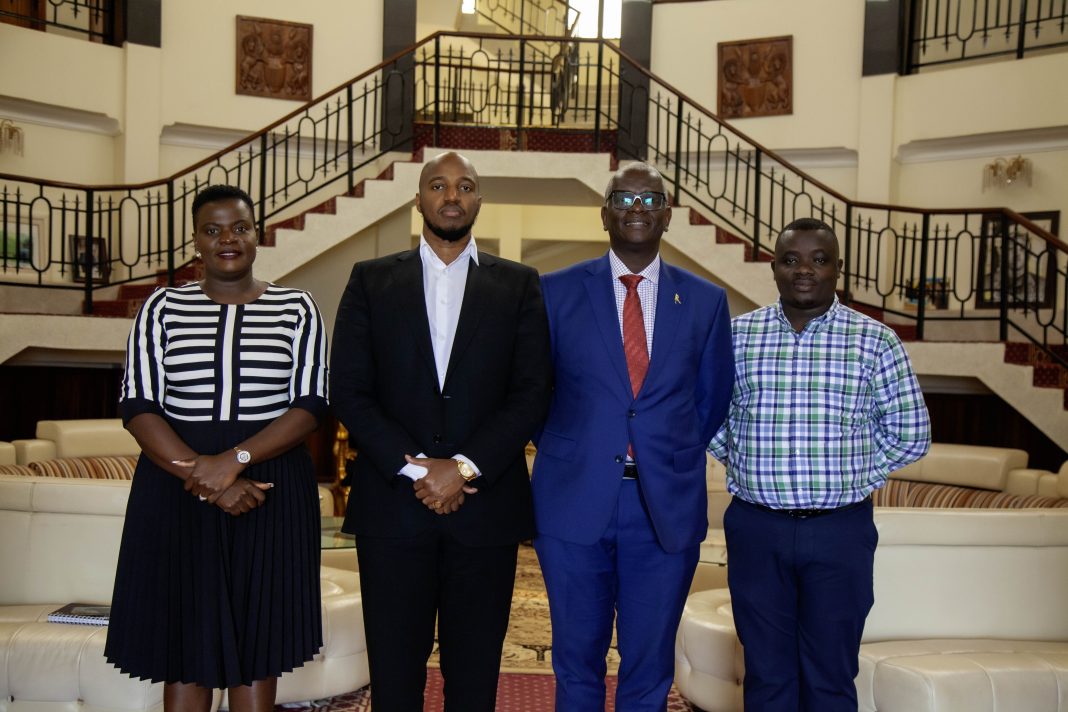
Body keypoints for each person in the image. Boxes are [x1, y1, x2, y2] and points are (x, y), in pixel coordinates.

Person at [329, 151, 552, 712]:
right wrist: (418, 470)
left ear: (479, 199)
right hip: (392, 508)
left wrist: (464, 467)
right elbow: (349, 390)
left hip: (485, 509)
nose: (452, 196)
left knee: (474, 678)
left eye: (465, 186)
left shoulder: (520, 285)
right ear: (419, 198)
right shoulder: (371, 280)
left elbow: (532, 391)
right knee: (395, 676)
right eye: (438, 185)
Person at [105, 184, 329, 712]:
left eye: (240, 228)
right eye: (213, 230)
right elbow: (137, 404)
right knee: (185, 639)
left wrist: (234, 462)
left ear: (259, 236)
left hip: (270, 486)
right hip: (175, 484)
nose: (228, 238)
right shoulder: (161, 307)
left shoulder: (297, 308)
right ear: (195, 244)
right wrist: (201, 476)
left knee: (259, 641)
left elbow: (312, 404)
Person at [532, 162, 735, 711]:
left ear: (668, 215)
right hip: (572, 500)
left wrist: (662, 449)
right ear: (604, 214)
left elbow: (711, 401)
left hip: (663, 506)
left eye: (651, 200)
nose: (637, 209)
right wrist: (578, 444)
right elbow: (532, 394)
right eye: (624, 198)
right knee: (576, 660)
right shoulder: (553, 292)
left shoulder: (706, 301)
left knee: (648, 666)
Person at [709, 217, 931, 712]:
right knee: (765, 674)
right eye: (791, 259)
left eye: (818, 259)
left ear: (838, 269)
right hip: (756, 529)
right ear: (774, 268)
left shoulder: (875, 341)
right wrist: (747, 462)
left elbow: (912, 433)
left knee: (830, 675)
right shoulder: (737, 337)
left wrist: (854, 478)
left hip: (840, 533)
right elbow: (710, 419)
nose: (804, 270)